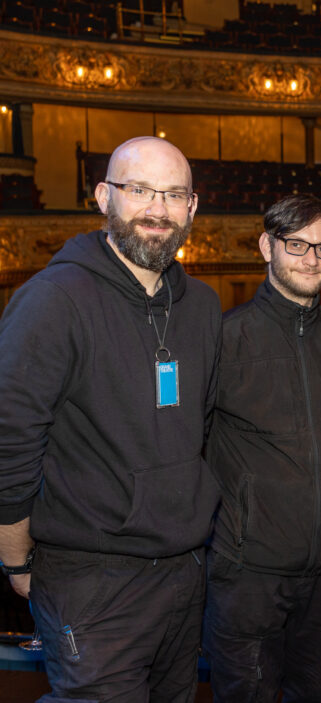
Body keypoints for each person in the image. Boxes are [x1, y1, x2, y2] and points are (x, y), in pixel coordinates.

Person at [0, 136, 221, 701]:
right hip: (90, 580)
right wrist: (15, 559)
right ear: (103, 196)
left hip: (182, 574)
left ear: (192, 208)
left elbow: (206, 430)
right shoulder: (52, 299)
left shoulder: (201, 305)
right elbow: (10, 441)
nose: (157, 208)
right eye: (139, 189)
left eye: (174, 195)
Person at [202, 194, 321, 702]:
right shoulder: (224, 340)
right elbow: (195, 443)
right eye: (297, 244)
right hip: (247, 572)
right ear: (266, 246)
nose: (311, 258)